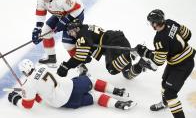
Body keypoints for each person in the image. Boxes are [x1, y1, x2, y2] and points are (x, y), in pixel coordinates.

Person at [7, 59, 136, 110]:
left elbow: (28, 105)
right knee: (91, 80)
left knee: (95, 97)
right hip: (72, 85)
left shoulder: (28, 86)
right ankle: (118, 91)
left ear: (24, 71)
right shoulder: (42, 67)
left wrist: (16, 98)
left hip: (65, 102)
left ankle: (119, 104)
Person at [135, 9, 195, 118]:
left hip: (182, 65)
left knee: (170, 94)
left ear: (155, 23)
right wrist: (173, 46)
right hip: (178, 61)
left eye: (151, 23)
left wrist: (145, 52)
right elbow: (188, 35)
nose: (151, 25)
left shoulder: (159, 38)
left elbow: (159, 61)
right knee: (164, 83)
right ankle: (165, 103)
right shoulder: (171, 22)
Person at [56, 19, 156, 79]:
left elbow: (79, 57)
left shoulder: (82, 35)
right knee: (127, 74)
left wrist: (66, 66)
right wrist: (86, 56)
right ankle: (140, 62)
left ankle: (132, 53)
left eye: (71, 32)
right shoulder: (86, 29)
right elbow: (87, 53)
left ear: (77, 28)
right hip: (119, 39)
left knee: (112, 69)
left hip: (113, 44)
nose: (70, 35)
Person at [32, 0, 87, 73]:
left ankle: (80, 65)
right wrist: (37, 29)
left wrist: (64, 21)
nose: (45, 1)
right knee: (45, 32)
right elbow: (41, 12)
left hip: (75, 15)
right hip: (61, 14)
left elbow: (78, 9)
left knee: (67, 44)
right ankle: (51, 58)